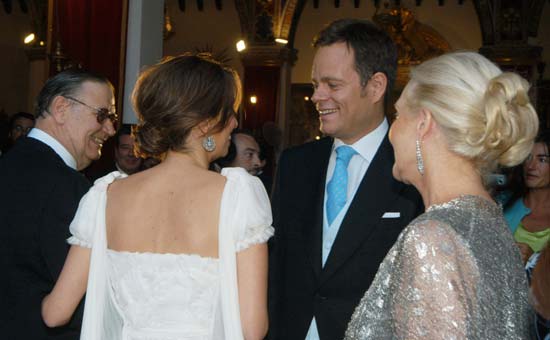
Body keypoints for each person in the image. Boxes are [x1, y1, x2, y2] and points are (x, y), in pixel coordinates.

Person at [41, 53, 273, 340]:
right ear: (204, 124)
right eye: (229, 112)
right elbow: (252, 329)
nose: (235, 123)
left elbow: (55, 313)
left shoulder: (105, 195)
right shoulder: (238, 195)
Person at [345, 51, 538, 339]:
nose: (391, 132)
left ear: (423, 123)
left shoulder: (433, 239)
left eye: (397, 116)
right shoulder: (492, 224)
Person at [268, 19, 423, 340]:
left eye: (332, 85)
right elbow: (277, 264)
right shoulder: (295, 164)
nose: (316, 96)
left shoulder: (411, 170)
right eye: (314, 84)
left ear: (376, 86)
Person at [0, 69, 116, 339]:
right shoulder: (67, 186)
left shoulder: (8, 165)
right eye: (103, 115)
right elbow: (79, 299)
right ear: (61, 108)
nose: (109, 129)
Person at [504, 130, 550, 264]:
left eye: (542, 159)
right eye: (528, 158)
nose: (531, 166)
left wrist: (534, 259)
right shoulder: (503, 203)